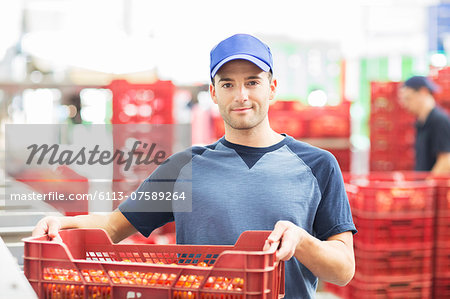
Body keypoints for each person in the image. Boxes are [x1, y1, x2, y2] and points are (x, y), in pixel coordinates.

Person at [33, 34, 356, 298]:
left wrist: (301, 241)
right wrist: (62, 224)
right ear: (214, 93)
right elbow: (116, 226)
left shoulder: (317, 165)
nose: (241, 95)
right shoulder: (185, 167)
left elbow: (342, 271)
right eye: (228, 84)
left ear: (271, 88)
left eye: (253, 82)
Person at [399, 76, 450, 174]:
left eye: (408, 99)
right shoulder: (421, 122)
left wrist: (426, 185)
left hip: (433, 187)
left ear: (423, 92)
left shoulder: (439, 121)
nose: (405, 104)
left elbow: (446, 161)